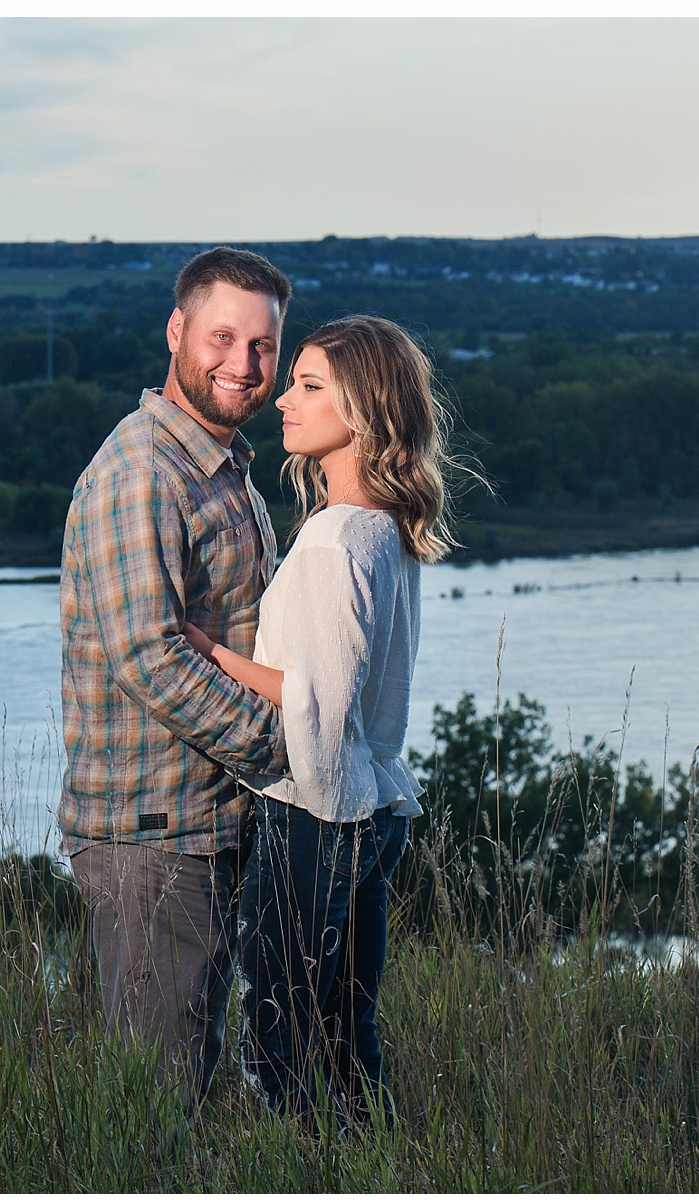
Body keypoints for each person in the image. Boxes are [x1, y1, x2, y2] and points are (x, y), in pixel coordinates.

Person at [187, 317, 459, 1126]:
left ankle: (303, 1172)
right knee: (346, 1030)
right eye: (293, 381)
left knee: (282, 1034)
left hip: (316, 813)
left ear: (366, 408)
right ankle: (367, 1165)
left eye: (311, 387)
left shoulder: (338, 537)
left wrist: (208, 650)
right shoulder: (386, 528)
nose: (284, 401)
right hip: (372, 810)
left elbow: (317, 699)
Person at [58, 245, 293, 1098]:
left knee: (201, 1083)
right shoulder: (143, 473)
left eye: (262, 346)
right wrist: (285, 745)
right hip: (151, 837)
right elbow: (149, 658)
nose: (243, 364)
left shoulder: (222, 469)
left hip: (209, 825)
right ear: (176, 331)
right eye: (222, 338)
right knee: (159, 1105)